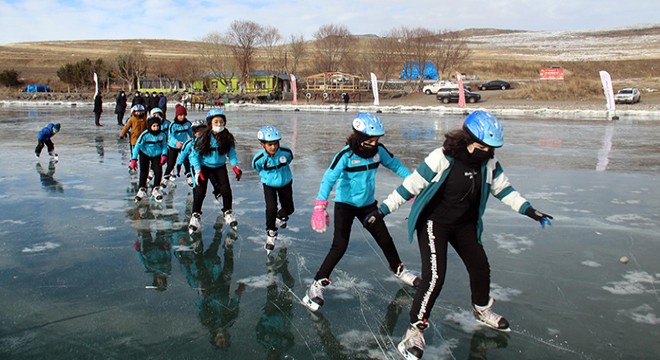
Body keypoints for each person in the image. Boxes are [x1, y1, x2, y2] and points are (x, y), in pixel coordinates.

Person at [364, 110, 553, 359]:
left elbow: (504, 190)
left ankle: (481, 309)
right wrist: (382, 210)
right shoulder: (442, 158)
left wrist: (530, 211)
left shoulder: (489, 164)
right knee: (434, 278)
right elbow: (411, 185)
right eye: (483, 146)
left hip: (464, 224)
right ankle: (414, 329)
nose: (487, 151)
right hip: (434, 223)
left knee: (480, 267)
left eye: (491, 147)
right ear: (469, 139)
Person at [301, 112, 420, 313]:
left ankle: (399, 269)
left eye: (377, 140)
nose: (374, 143)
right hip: (345, 205)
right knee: (339, 245)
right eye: (371, 140)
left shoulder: (379, 151)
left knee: (385, 239)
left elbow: (397, 166)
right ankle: (316, 286)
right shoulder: (346, 155)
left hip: (367, 205)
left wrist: (413, 186)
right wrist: (320, 206)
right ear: (359, 137)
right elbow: (329, 179)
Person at [188, 109, 243, 234]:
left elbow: (232, 153)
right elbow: (194, 155)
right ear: (210, 123)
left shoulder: (226, 137)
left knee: (226, 190)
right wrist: (197, 170)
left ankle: (227, 212)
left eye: (221, 122)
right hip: (204, 166)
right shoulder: (203, 137)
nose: (219, 125)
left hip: (219, 166)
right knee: (200, 191)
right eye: (216, 122)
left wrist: (235, 166)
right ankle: (195, 215)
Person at [251, 126, 295, 254]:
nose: (273, 147)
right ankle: (271, 232)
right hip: (269, 184)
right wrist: (268, 176)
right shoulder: (260, 158)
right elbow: (257, 167)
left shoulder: (286, 153)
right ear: (262, 144)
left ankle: (280, 216)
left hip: (285, 183)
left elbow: (290, 159)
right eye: (270, 144)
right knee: (271, 208)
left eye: (275, 144)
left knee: (289, 209)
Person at [129, 115, 167, 203]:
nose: (156, 128)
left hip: (156, 154)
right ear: (150, 126)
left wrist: (164, 155)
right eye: (154, 126)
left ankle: (156, 188)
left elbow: (164, 145)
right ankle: (142, 188)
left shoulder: (162, 135)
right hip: (145, 153)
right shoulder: (145, 135)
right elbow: (137, 146)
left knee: (158, 171)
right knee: (144, 171)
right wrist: (134, 159)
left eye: (157, 126)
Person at [162, 104, 192, 190]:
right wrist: (176, 142)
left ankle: (188, 175)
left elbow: (191, 133)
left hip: (184, 146)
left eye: (183, 115)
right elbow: (171, 136)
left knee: (186, 161)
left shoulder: (187, 124)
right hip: (173, 146)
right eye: (180, 115)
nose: (182, 117)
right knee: (171, 163)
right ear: (177, 115)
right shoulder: (173, 125)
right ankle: (165, 177)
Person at [177, 119, 207, 187]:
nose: (201, 135)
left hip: (206, 164)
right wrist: (179, 164)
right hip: (194, 165)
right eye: (199, 133)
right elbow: (183, 154)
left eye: (203, 132)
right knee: (198, 185)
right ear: (194, 133)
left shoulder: (209, 142)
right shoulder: (189, 143)